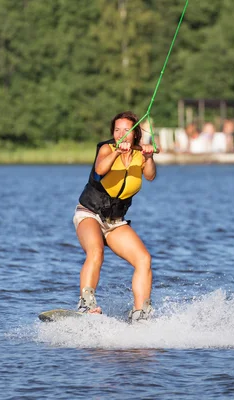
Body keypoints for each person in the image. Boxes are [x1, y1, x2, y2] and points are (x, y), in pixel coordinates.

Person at [73, 111, 156, 323]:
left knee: (143, 259)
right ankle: (86, 303)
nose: (121, 134)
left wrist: (149, 156)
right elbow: (100, 170)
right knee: (95, 251)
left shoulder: (139, 154)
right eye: (117, 130)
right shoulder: (107, 149)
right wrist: (117, 152)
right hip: (90, 213)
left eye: (126, 130)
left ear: (135, 134)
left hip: (115, 222)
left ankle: (141, 313)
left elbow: (150, 175)